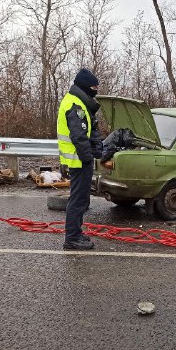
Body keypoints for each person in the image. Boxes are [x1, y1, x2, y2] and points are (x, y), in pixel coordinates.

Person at [57, 68, 103, 250]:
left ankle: (75, 232)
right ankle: (72, 238)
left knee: (80, 199)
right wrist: (88, 158)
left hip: (77, 160)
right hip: (79, 161)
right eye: (94, 86)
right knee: (79, 200)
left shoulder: (75, 100)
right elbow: (79, 137)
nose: (96, 90)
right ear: (85, 86)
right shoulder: (76, 105)